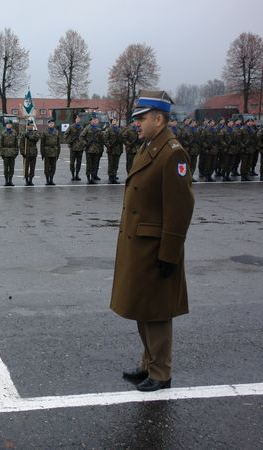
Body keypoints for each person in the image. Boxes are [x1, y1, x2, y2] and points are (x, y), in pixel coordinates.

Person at [110, 90, 194, 392]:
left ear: (159, 119)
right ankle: (148, 364)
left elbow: (180, 209)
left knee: (156, 312)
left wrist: (168, 254)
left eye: (141, 118)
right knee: (142, 307)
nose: (137, 124)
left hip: (156, 248)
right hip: (140, 247)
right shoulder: (149, 147)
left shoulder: (172, 154)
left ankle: (161, 372)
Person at [80, 115, 104, 184]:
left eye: (94, 120)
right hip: (89, 149)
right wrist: (85, 143)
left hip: (96, 149)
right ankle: (88, 178)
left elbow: (101, 139)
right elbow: (81, 136)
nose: (93, 121)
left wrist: (101, 147)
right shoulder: (87, 128)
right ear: (90, 121)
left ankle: (93, 178)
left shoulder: (98, 129)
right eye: (92, 120)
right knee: (89, 165)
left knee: (95, 164)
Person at [40, 118, 61, 185]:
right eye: (50, 123)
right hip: (47, 151)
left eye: (52, 123)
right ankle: (47, 179)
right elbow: (42, 144)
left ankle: (51, 179)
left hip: (54, 151)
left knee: (53, 167)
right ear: (48, 124)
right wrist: (42, 153)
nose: (51, 124)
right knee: (47, 167)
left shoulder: (57, 132)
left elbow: (58, 143)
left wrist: (58, 153)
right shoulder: (45, 132)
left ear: (54, 124)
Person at [20, 119, 40, 186]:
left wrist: (29, 136)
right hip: (26, 153)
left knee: (32, 167)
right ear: (27, 126)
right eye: (29, 125)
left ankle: (31, 179)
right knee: (26, 167)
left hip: (33, 153)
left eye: (32, 125)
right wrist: (23, 153)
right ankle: (26, 179)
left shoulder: (35, 132)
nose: (31, 126)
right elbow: (21, 144)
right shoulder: (23, 134)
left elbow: (36, 138)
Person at [103, 119, 124, 184]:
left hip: (118, 149)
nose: (115, 122)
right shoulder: (109, 129)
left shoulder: (119, 129)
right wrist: (108, 146)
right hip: (111, 149)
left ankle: (114, 176)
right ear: (111, 122)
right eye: (113, 121)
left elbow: (122, 139)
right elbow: (105, 138)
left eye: (116, 121)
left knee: (116, 164)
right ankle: (110, 178)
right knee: (111, 164)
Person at [64, 115, 83, 181]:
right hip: (73, 147)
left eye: (79, 118)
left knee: (79, 162)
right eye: (77, 118)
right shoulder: (71, 127)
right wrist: (70, 141)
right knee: (72, 163)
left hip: (80, 147)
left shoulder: (81, 127)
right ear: (75, 119)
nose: (78, 119)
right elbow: (65, 135)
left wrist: (83, 143)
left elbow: (84, 136)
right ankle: (73, 175)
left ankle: (77, 175)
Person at [0, 120, 18, 186]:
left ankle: (10, 180)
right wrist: (1, 153)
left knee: (12, 168)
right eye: (7, 124)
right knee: (6, 168)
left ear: (11, 125)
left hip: (12, 152)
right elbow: (0, 144)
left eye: (10, 124)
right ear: (6, 125)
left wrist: (16, 152)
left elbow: (16, 144)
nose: (8, 125)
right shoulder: (3, 133)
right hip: (5, 152)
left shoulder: (14, 133)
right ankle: (6, 180)